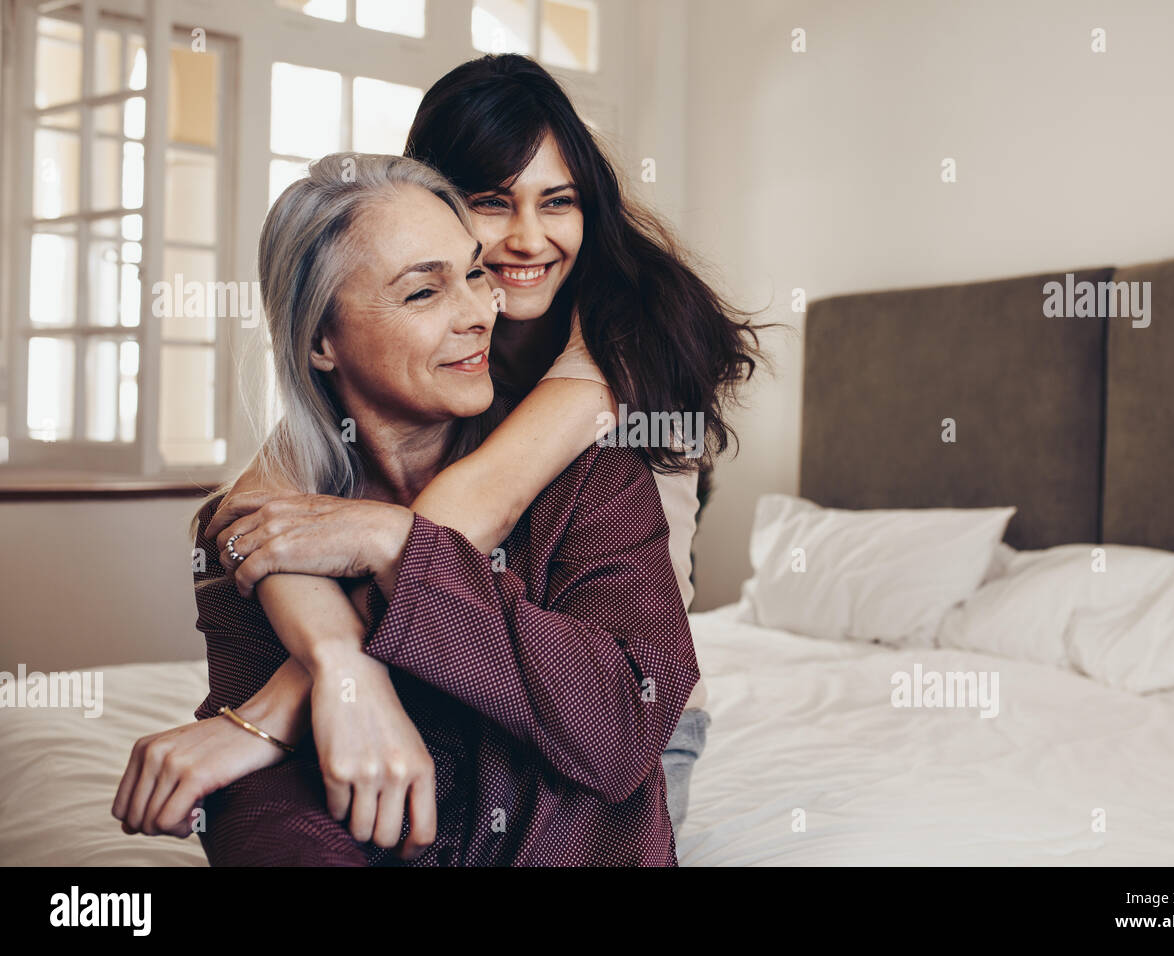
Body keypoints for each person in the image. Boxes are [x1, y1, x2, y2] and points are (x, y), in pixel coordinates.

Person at [206, 54, 763, 833]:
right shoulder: (447, 332)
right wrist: (333, 663)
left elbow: (480, 506)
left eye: (558, 202)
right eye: (493, 203)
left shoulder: (623, 336)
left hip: (621, 706)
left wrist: (289, 699)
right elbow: (258, 510)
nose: (528, 239)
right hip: (475, 671)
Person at [112, 154, 699, 865]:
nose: (481, 314)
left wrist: (398, 544)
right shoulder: (265, 530)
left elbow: (618, 729)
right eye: (423, 293)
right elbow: (264, 803)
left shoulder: (596, 481)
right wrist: (336, 678)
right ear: (321, 341)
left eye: (474, 274)